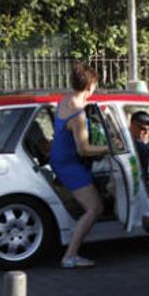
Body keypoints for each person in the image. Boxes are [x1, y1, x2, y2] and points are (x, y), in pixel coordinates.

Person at [50, 63, 110, 269]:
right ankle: (70, 256)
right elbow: (84, 149)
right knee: (95, 208)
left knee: (92, 205)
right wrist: (109, 148)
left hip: (59, 158)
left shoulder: (65, 100)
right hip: (69, 164)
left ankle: (71, 252)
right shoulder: (78, 115)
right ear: (90, 85)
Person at [129, 111, 149, 176]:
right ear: (132, 127)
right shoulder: (136, 144)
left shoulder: (143, 143)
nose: (147, 132)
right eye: (142, 128)